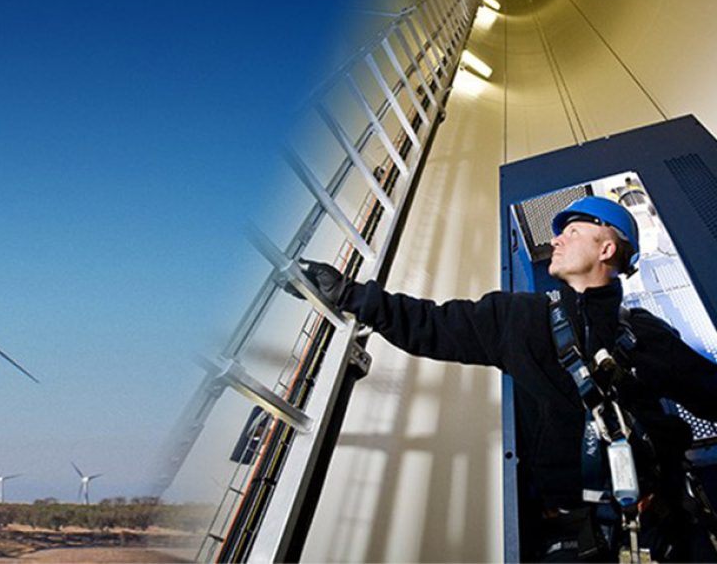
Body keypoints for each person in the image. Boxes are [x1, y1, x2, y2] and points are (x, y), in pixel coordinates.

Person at [291, 195, 717, 562]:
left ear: (606, 248)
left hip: (667, 526)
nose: (557, 239)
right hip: (574, 538)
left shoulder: (644, 333)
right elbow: (431, 324)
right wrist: (348, 294)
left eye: (572, 231)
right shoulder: (518, 318)